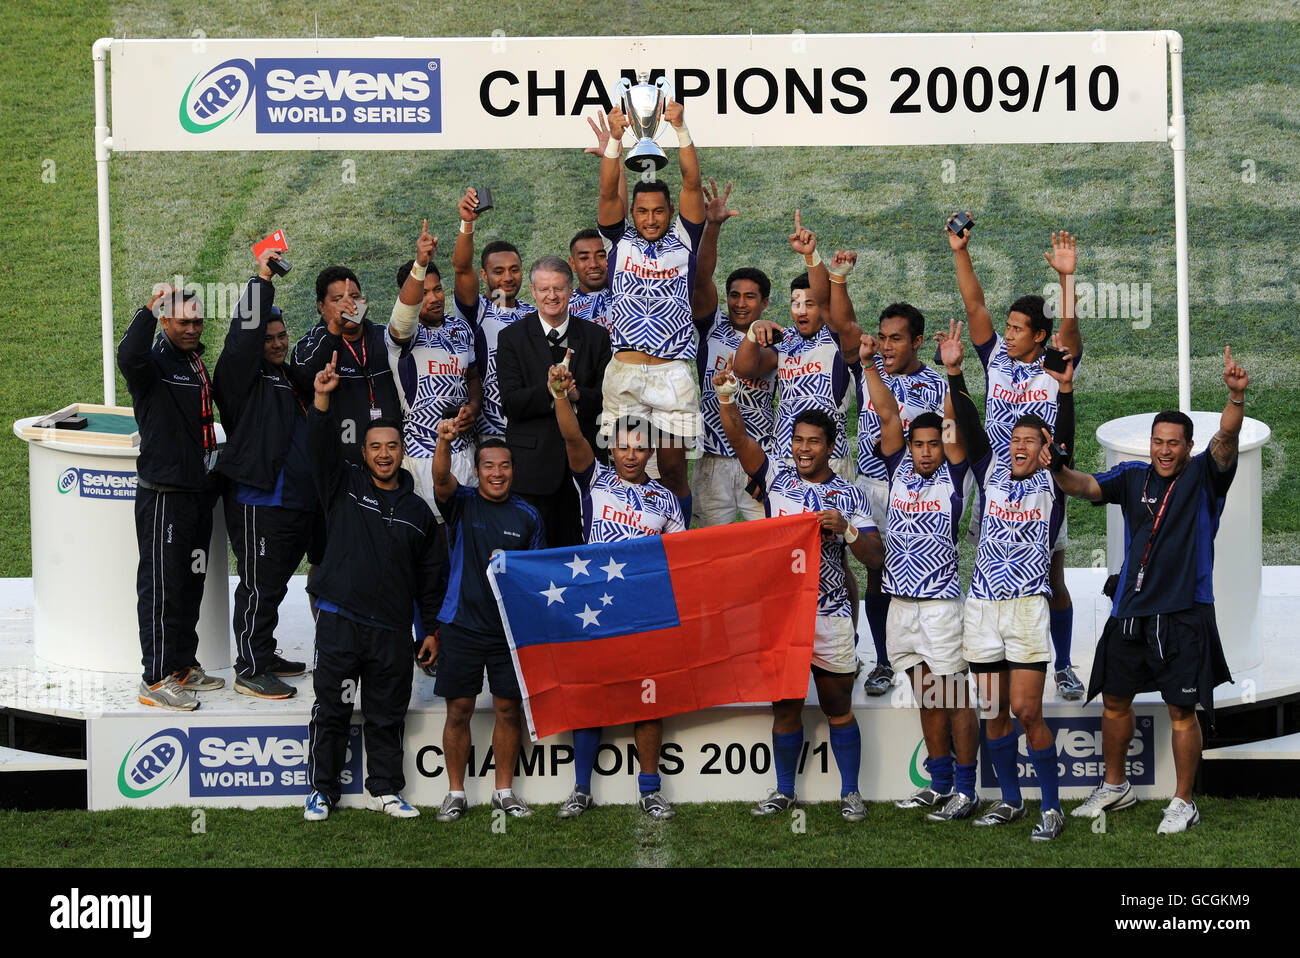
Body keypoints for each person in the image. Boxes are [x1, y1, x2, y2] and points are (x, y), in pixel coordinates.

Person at [1056, 348, 1245, 834]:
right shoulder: (1132, 476)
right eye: (1158, 442)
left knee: (1182, 711)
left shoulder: (1206, 477)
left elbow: (1226, 440)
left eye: (1173, 444)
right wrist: (1053, 466)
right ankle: (1115, 785)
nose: (1164, 450)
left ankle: (1183, 801)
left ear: (1188, 447)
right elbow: (1083, 486)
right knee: (1115, 701)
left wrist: (1235, 398)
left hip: (1183, 613)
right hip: (1130, 612)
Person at [715, 361, 883, 822]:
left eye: (813, 442)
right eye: (798, 440)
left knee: (837, 705)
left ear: (829, 448)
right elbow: (741, 442)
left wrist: (846, 529)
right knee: (785, 706)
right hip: (783, 612)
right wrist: (727, 398)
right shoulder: (777, 479)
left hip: (829, 612)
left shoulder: (848, 494)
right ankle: (784, 791)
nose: (803, 449)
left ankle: (851, 793)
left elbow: (874, 558)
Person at [942, 321, 1075, 841]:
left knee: (1026, 709)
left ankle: (1051, 806)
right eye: (1015, 439)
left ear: (1044, 447)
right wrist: (954, 372)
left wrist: (1063, 390)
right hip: (981, 606)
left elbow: (1063, 436)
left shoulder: (1052, 480)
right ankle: (1012, 802)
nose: (1020, 446)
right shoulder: (991, 468)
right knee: (994, 711)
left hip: (1025, 607)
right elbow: (972, 426)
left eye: (1031, 440)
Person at [303, 351, 442, 821]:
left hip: (390, 633)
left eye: (392, 446)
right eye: (376, 447)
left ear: (402, 451)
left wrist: (431, 630)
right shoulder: (342, 485)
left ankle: (385, 790)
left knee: (386, 716)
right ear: (363, 452)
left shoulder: (421, 514)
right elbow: (318, 448)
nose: (384, 454)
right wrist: (322, 399)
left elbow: (431, 580)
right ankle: (322, 792)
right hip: (341, 624)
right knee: (332, 712)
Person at [949, 217, 1085, 701]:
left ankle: (1064, 664)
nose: (1006, 334)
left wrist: (1067, 280)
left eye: (1016, 329)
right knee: (987, 566)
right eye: (1006, 328)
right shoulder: (997, 362)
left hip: (1045, 486)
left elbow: (1070, 329)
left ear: (1041, 336)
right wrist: (960, 251)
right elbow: (975, 304)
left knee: (1053, 576)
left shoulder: (1057, 364)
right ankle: (989, 650)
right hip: (994, 479)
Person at [547, 358, 687, 819]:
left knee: (648, 699)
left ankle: (650, 789)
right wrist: (559, 396)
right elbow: (571, 437)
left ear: (650, 451)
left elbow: (680, 563)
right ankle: (580, 789)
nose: (630, 455)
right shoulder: (595, 479)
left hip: (643, 613)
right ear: (612, 447)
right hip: (593, 610)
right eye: (623, 447)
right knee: (590, 700)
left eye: (639, 448)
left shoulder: (666, 500)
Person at [857, 333, 978, 821]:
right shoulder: (897, 469)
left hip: (940, 606)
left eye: (934, 445)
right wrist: (868, 366)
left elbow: (957, 426)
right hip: (900, 605)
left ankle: (966, 790)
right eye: (919, 444)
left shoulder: (954, 474)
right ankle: (940, 782)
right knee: (927, 694)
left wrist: (951, 372)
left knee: (953, 697)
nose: (926, 452)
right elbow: (887, 414)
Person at [833, 258, 949, 696]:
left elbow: (917, 439)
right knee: (875, 572)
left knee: (915, 573)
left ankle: (930, 656)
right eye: (881, 338)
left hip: (911, 491)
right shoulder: (868, 369)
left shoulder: (934, 385)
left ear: (917, 341)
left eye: (895, 339)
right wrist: (835, 274)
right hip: (867, 486)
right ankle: (882, 659)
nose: (885, 346)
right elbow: (843, 322)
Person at [426, 424, 547, 823]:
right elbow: (440, 477)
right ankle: (456, 792)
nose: (498, 473)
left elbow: (535, 578)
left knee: (508, 710)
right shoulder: (461, 503)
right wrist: (443, 440)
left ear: (514, 469)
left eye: (505, 466)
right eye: (489, 466)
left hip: (507, 631)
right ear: (477, 471)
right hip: (461, 625)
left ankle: (504, 792)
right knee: (459, 709)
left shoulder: (529, 516)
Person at [596, 94, 706, 520]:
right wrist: (615, 142)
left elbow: (693, 185)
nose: (650, 218)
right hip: (624, 371)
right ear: (634, 214)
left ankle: (676, 548)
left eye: (659, 211)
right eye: (642, 211)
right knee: (622, 470)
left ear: (670, 212)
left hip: (672, 372)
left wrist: (681, 129)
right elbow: (608, 191)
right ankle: (626, 538)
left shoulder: (684, 239)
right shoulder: (617, 242)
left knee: (675, 473)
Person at [213, 249, 313, 699]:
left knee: (272, 584)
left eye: (281, 335)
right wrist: (261, 280)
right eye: (268, 337)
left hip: (292, 500)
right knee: (258, 584)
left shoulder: (286, 376)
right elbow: (241, 339)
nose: (276, 343)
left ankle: (264, 652)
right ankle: (251, 667)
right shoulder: (240, 377)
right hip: (258, 499)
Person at [118, 283, 222, 710]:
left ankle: (181, 664)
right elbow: (127, 355)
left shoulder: (194, 360)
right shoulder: (152, 363)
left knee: (188, 585)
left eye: (198, 321)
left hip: (197, 495)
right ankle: (155, 677)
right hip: (164, 496)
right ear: (164, 321)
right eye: (184, 322)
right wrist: (147, 307)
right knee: (161, 587)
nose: (194, 328)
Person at [495, 256, 612, 548]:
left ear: (571, 290)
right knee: (534, 555)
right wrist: (550, 390)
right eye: (544, 289)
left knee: (583, 552)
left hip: (586, 468)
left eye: (558, 288)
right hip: (533, 470)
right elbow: (511, 403)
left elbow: (609, 399)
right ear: (532, 291)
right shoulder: (511, 338)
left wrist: (575, 395)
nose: (552, 296)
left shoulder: (597, 337)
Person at [731, 217, 859, 480]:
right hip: (784, 459)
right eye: (795, 303)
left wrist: (811, 256)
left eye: (809, 304)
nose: (800, 311)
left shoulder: (836, 335)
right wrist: (754, 332)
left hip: (830, 460)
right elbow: (744, 368)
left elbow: (827, 302)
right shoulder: (785, 339)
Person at [691, 179, 777, 527]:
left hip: (758, 457)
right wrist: (712, 227)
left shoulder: (776, 339)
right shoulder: (711, 327)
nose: (740, 304)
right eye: (734, 295)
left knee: (770, 548)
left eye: (750, 297)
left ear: (765, 302)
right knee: (711, 554)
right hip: (711, 458)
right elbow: (700, 280)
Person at [386, 219, 481, 498]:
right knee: (435, 536)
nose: (434, 298)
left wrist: (474, 407)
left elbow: (472, 377)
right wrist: (420, 264)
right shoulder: (402, 335)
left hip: (464, 453)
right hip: (421, 457)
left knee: (467, 531)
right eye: (424, 293)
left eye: (437, 289)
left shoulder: (460, 328)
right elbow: (405, 315)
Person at [289, 266, 403, 466]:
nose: (348, 303)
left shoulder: (384, 336)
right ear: (320, 307)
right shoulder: (308, 344)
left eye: (354, 296)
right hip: (341, 468)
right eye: (338, 300)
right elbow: (304, 378)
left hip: (391, 461)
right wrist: (335, 326)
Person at [451, 188, 533, 440]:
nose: (508, 277)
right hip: (487, 435)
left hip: (529, 430)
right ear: (484, 276)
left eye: (514, 269)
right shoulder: (475, 310)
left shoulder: (534, 314)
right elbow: (462, 268)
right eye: (499, 271)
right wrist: (467, 224)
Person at [567, 228, 613, 334]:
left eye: (601, 256)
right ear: (573, 264)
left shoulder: (628, 298)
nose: (593, 264)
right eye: (584, 258)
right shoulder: (562, 307)